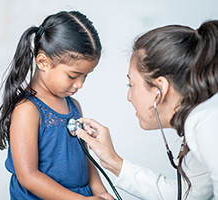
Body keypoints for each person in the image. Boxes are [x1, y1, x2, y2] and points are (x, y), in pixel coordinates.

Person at [76, 20, 218, 200]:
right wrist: (112, 160)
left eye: (131, 84)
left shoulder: (208, 123)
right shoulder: (203, 121)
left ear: (160, 89)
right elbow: (189, 195)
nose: (129, 96)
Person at [0, 11, 114, 200]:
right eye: (73, 76)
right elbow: (28, 176)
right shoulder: (27, 110)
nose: (80, 84)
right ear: (43, 62)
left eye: (85, 76)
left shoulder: (74, 106)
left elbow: (85, 157)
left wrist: (101, 192)